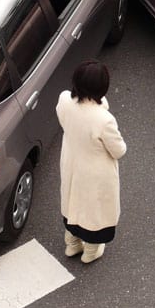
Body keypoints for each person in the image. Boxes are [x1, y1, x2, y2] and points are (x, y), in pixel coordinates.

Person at [56, 59, 127, 264]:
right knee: (93, 211)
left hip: (71, 162)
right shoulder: (104, 119)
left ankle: (72, 244)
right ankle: (91, 251)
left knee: (72, 203)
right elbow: (119, 150)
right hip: (96, 173)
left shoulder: (64, 101)